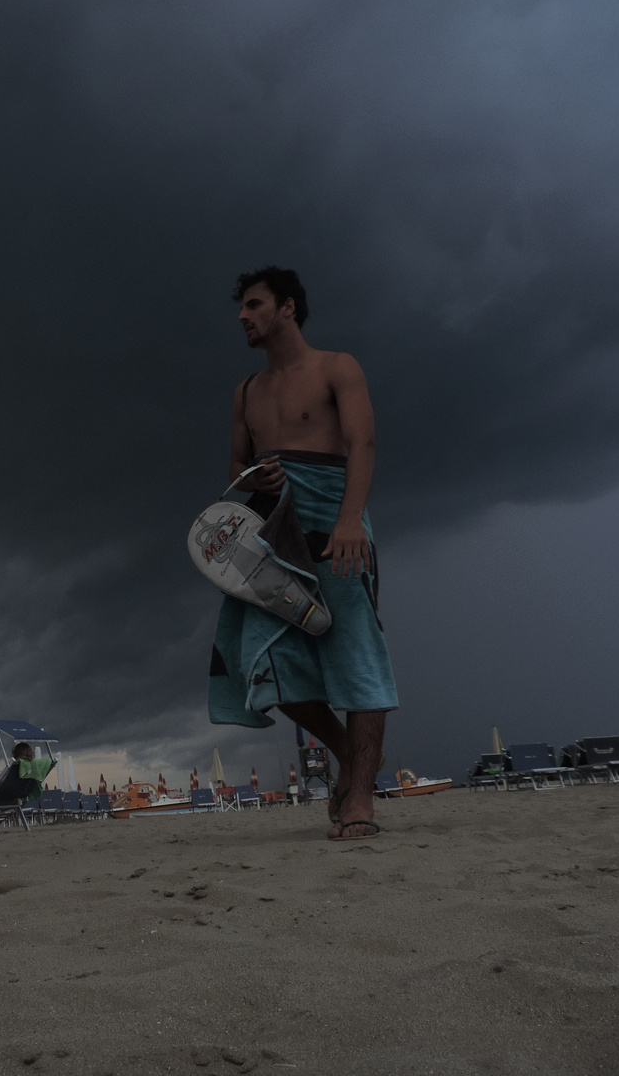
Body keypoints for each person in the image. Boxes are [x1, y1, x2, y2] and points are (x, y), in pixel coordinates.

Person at [207, 266, 399, 840]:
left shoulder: (337, 367)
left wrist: (349, 521)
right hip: (275, 533)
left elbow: (363, 441)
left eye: (255, 305)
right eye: (242, 308)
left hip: (336, 524)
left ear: (288, 308)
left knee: (356, 654)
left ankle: (360, 796)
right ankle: (349, 754)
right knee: (266, 664)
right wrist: (255, 481)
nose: (243, 316)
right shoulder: (247, 391)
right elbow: (237, 472)